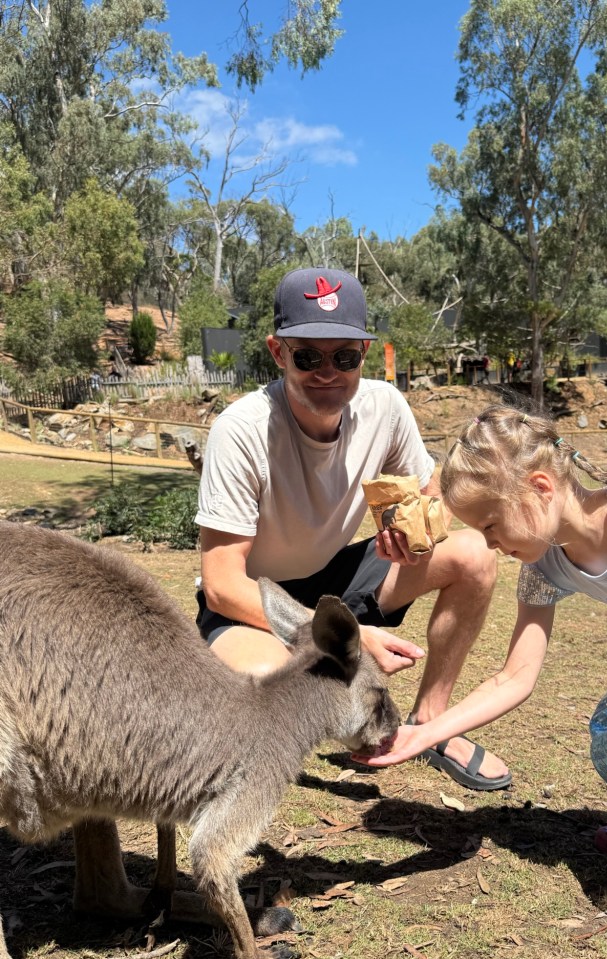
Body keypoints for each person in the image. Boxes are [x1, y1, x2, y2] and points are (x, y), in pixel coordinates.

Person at [355, 403, 607, 959]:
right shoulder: (545, 565)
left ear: (540, 488)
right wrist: (425, 734)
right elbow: (515, 675)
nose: (489, 543)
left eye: (491, 525)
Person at [194, 266, 509, 791]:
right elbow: (223, 585)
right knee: (272, 689)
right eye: (307, 356)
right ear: (277, 352)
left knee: (474, 553)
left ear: (364, 354)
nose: (327, 372)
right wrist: (350, 636)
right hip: (255, 601)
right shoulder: (241, 431)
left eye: (343, 357)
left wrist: (411, 532)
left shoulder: (384, 406)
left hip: (337, 578)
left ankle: (429, 722)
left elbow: (432, 493)